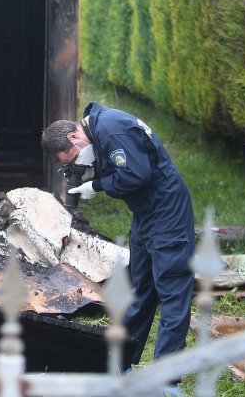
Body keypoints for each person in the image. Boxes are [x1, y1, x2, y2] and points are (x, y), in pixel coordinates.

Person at [41, 101, 195, 374]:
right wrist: (93, 174)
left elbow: (137, 174)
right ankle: (123, 365)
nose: (78, 163)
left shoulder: (111, 130)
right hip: (145, 214)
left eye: (74, 159)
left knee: (172, 295)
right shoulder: (99, 132)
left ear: (74, 137)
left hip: (168, 213)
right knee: (140, 290)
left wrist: (97, 184)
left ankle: (167, 380)